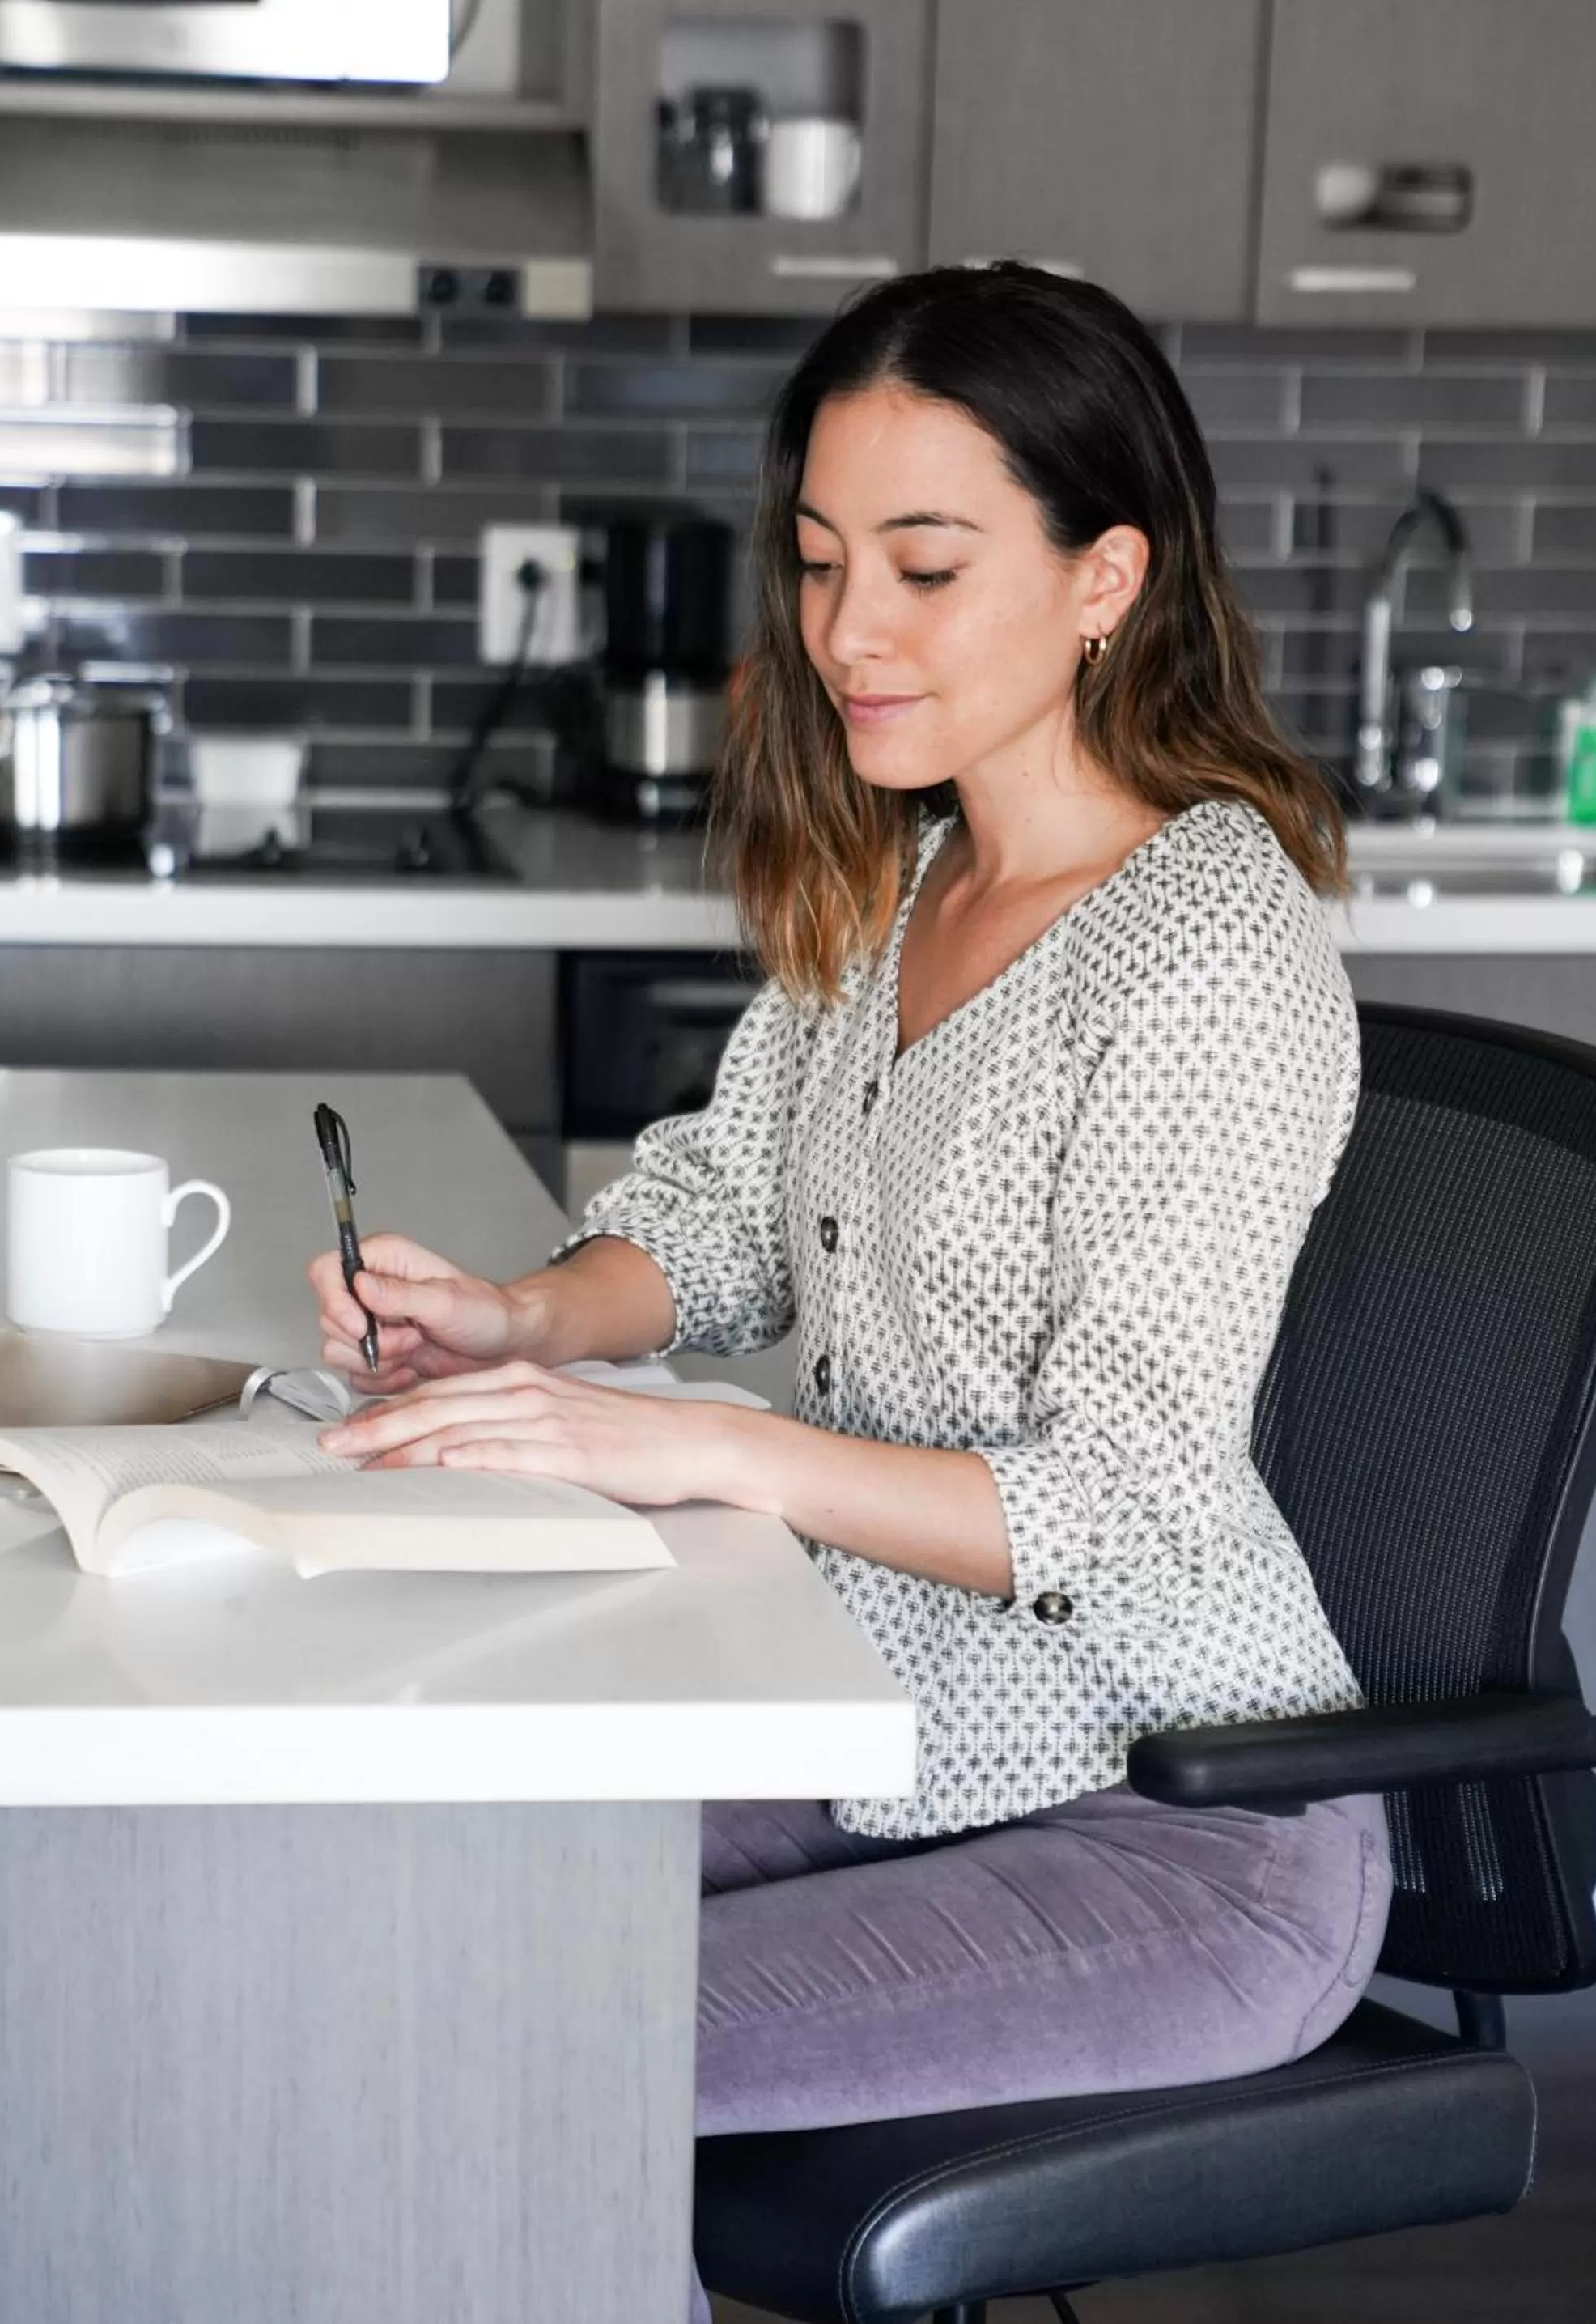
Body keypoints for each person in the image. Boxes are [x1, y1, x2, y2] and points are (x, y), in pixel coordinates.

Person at [307, 263, 1390, 2323]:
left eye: (922, 563)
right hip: (873, 1716)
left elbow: (1129, 1508)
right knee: (404, 1870)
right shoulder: (911, 875)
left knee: (516, 2031)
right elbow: (723, 1207)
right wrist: (524, 1322)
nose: (846, 632)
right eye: (817, 564)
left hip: (1170, 1824)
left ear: (1105, 578)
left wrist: (710, 1441)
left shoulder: (1211, 962)